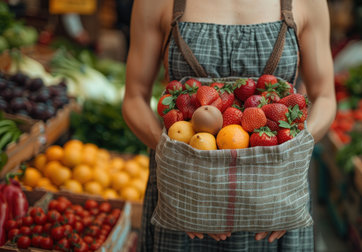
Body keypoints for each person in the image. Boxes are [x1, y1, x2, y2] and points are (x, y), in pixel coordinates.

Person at [122, 0, 336, 251]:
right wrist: (176, 164)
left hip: (274, 192)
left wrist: (291, 165)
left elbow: (324, 96)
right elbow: (134, 98)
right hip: (186, 192)